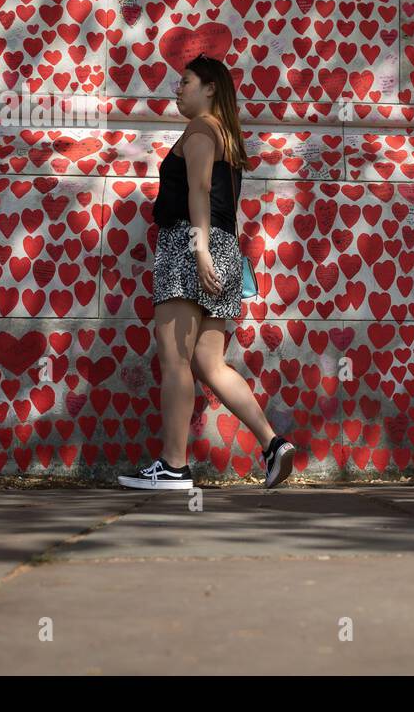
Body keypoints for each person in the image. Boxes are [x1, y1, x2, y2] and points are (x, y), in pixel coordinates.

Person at [119, 53, 296, 490]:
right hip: (222, 248)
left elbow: (198, 191)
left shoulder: (200, 128)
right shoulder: (228, 137)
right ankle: (273, 443)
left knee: (175, 358)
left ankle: (173, 467)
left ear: (210, 87)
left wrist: (198, 252)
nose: (176, 89)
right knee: (209, 362)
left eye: (185, 81)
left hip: (190, 245)